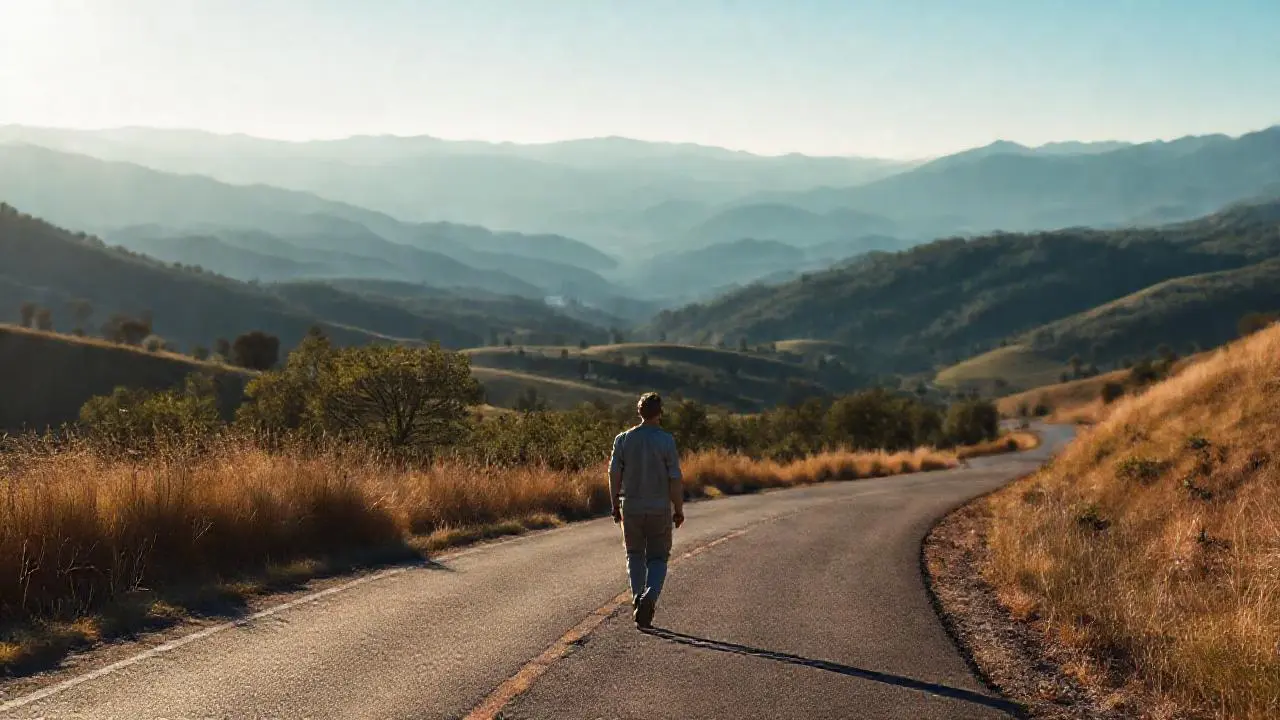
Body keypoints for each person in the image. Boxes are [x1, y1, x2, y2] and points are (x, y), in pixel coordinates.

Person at [608, 392, 684, 629]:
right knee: (658, 557)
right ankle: (650, 595)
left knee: (634, 555)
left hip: (630, 505)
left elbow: (613, 473)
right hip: (658, 507)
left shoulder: (623, 439)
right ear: (660, 413)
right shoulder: (665, 440)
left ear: (639, 412)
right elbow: (675, 477)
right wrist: (678, 508)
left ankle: (637, 597)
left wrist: (614, 504)